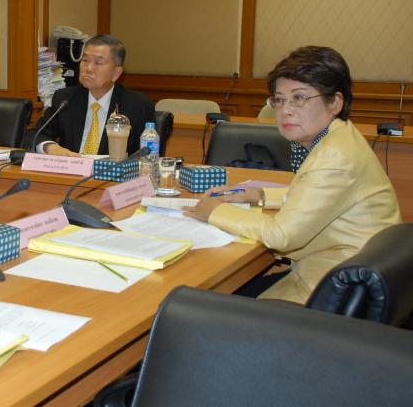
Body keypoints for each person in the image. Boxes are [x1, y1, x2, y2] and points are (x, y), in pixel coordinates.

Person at [185, 46, 401, 303]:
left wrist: (213, 211)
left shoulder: (335, 157)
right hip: (341, 275)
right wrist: (256, 195)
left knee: (200, 301)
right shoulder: (339, 137)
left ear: (335, 102)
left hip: (333, 291)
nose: (285, 110)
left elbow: (282, 236)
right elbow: (314, 195)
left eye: (299, 98)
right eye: (279, 99)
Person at [26, 34, 155, 156]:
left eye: (98, 63)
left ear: (116, 73)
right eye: (85, 60)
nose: (88, 68)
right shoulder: (65, 99)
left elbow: (147, 154)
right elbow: (34, 135)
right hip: (72, 170)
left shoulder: (138, 106)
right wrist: (51, 148)